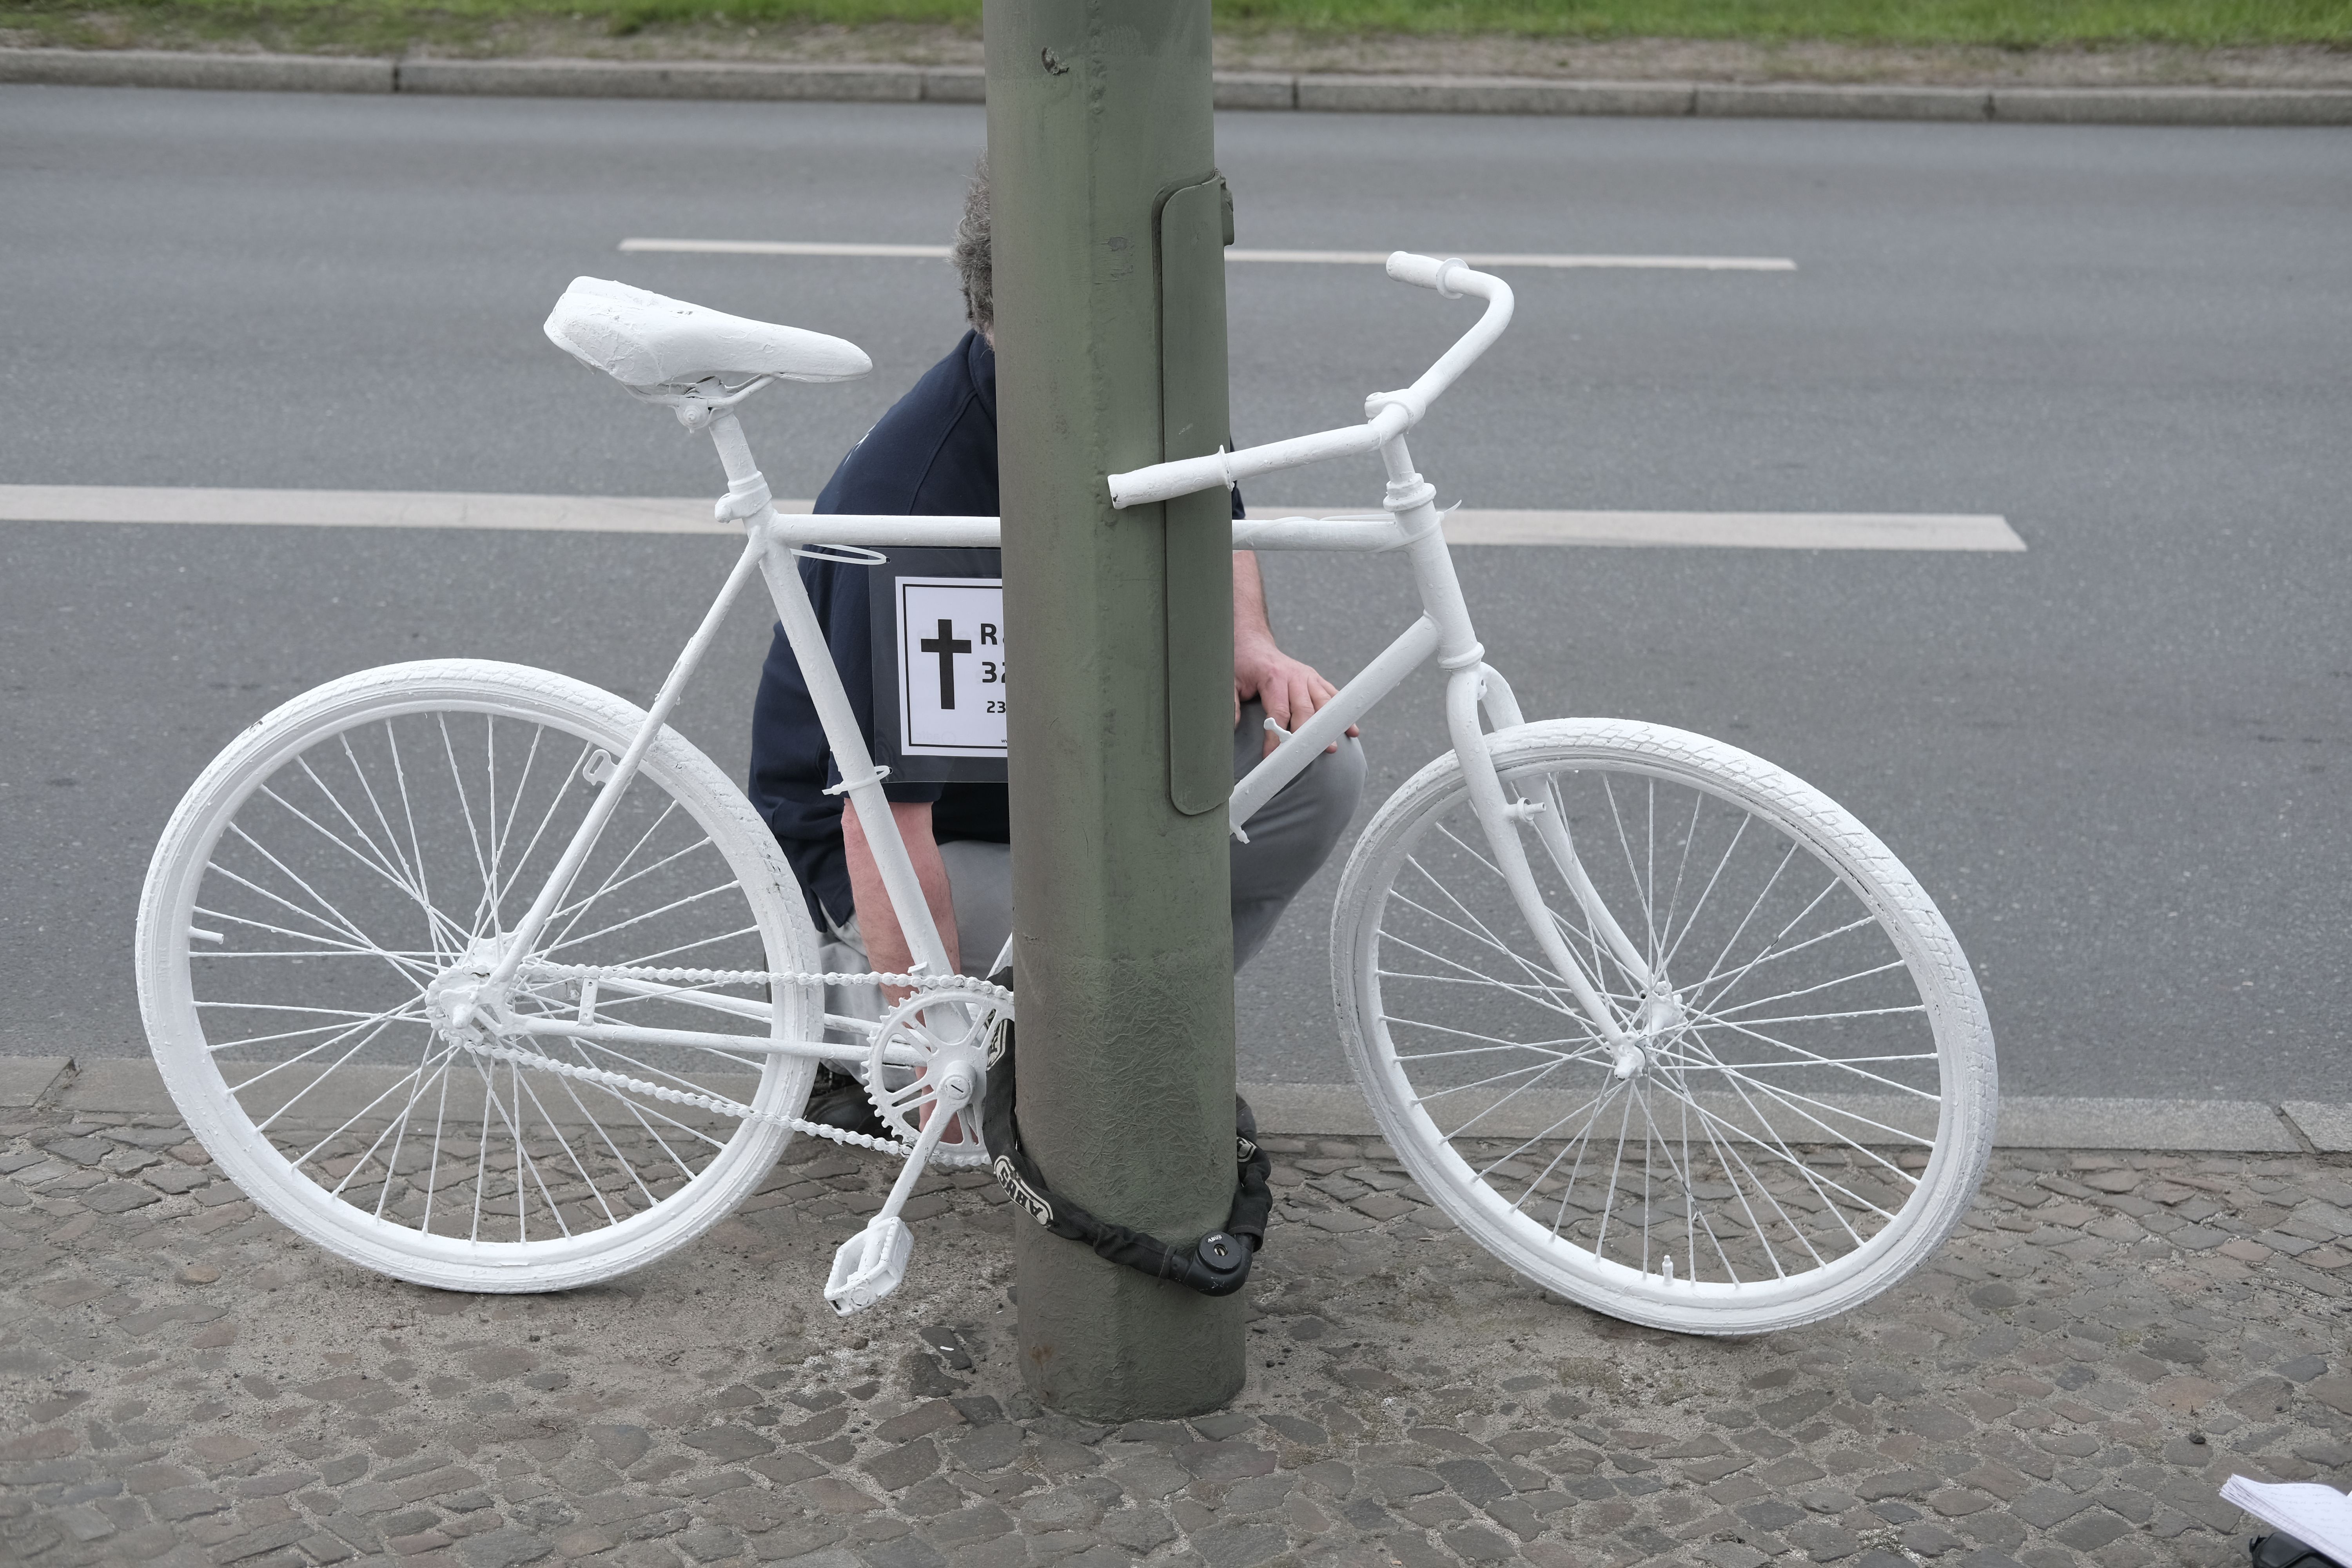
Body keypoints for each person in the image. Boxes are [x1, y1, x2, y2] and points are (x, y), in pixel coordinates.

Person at [748, 163, 1365, 1129]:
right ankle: (863, 1007)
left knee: (1317, 773)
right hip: (921, 834)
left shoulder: (1128, 382)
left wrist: (1249, 639)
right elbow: (883, 822)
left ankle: (1116, 1035)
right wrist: (926, 1039)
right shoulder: (923, 504)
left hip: (1053, 776)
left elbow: (1217, 507)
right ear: (1043, 319)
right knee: (1111, 914)